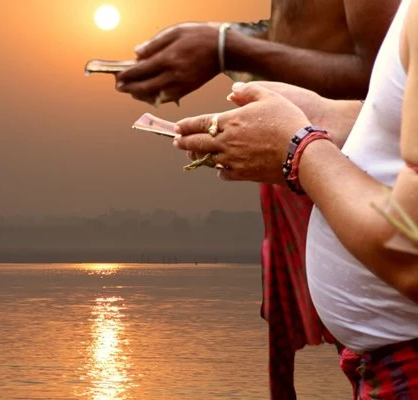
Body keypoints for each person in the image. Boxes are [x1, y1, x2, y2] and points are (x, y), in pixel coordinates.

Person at [113, 2, 401, 398]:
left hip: (350, 185)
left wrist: (228, 48)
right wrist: (224, 43)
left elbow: (389, 78)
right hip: (321, 169)